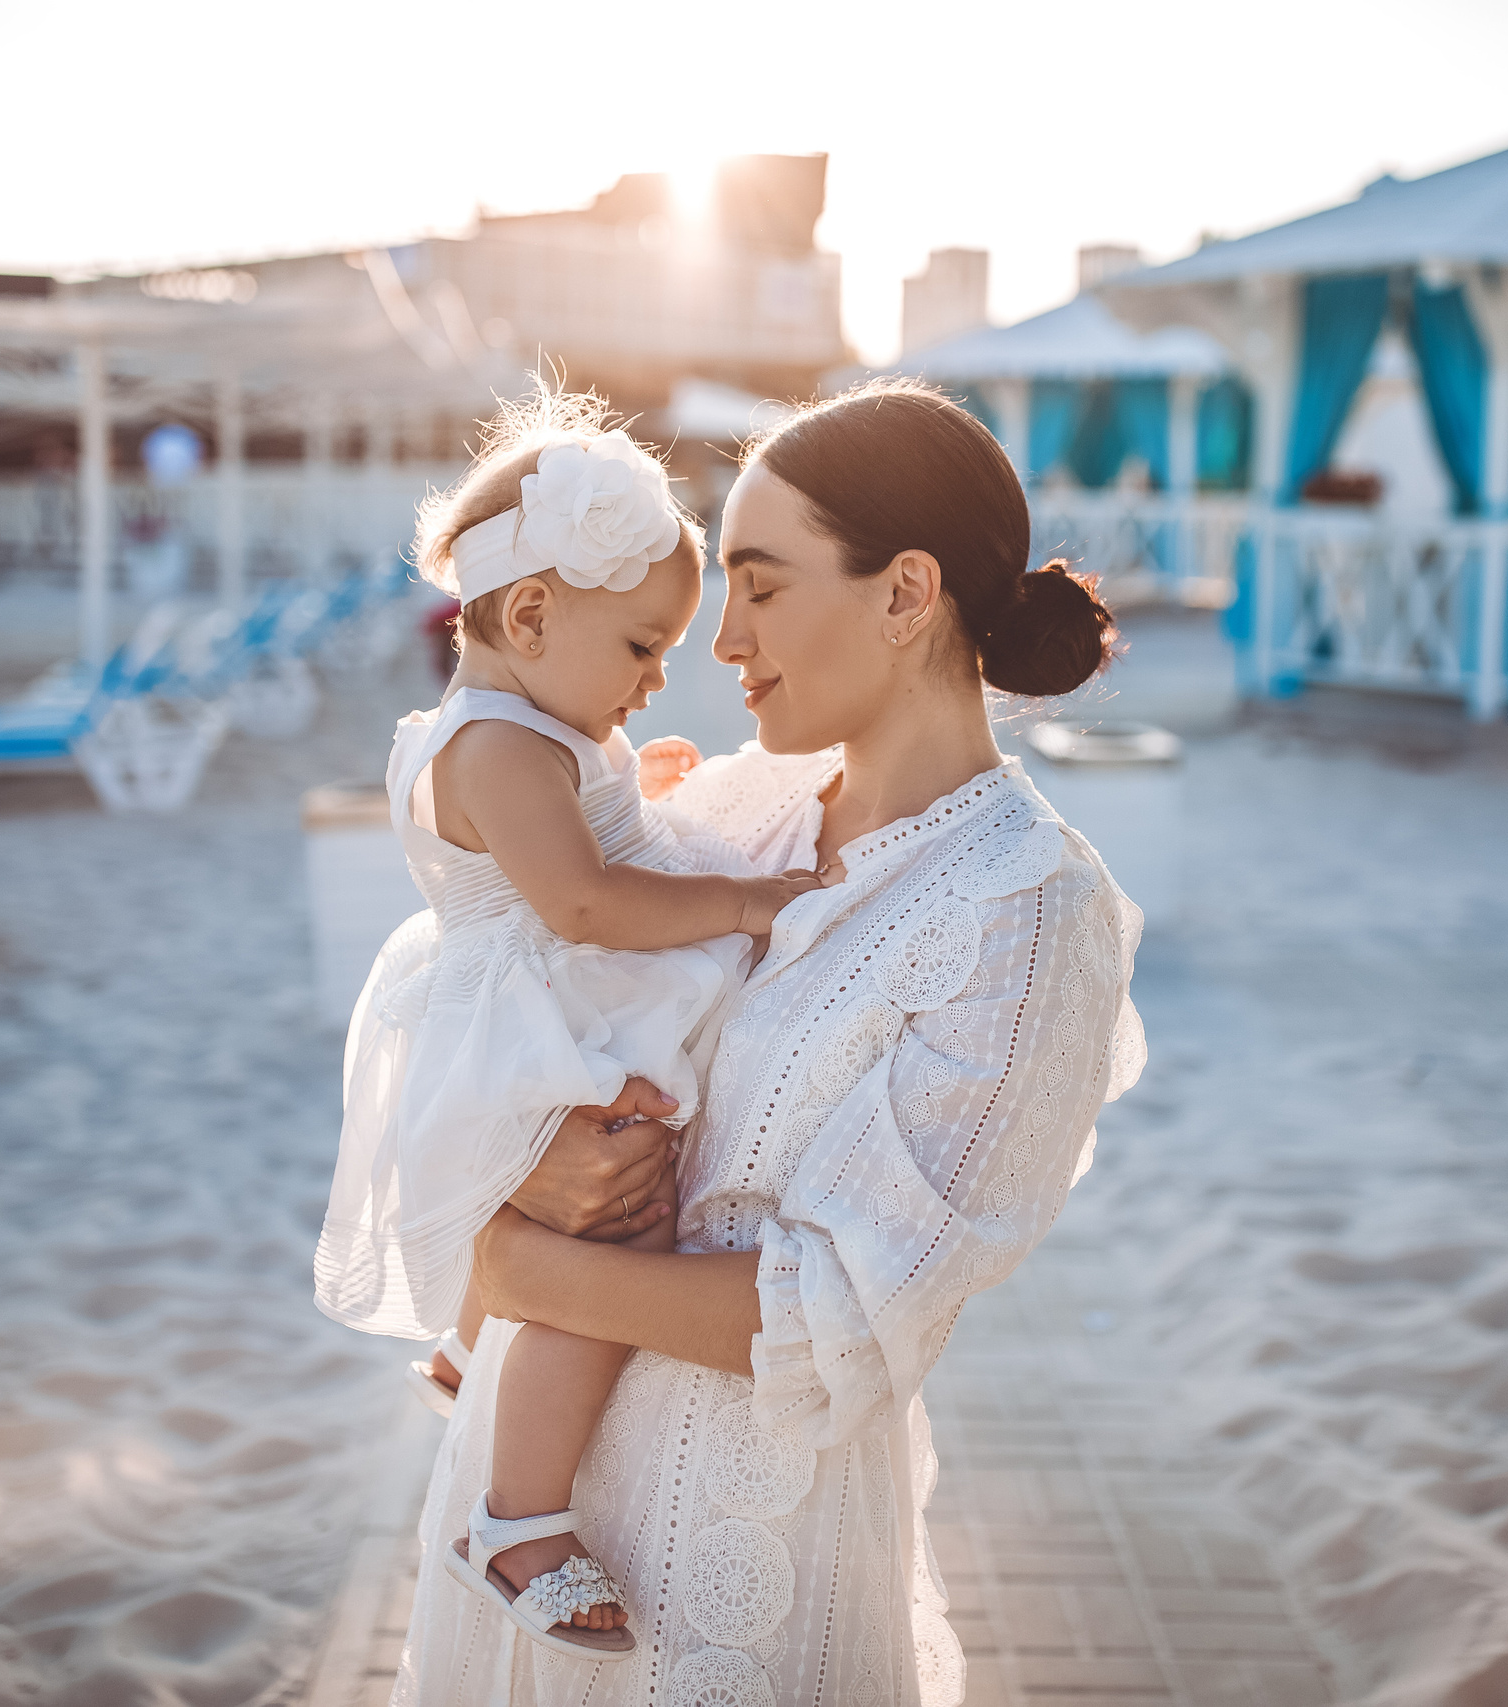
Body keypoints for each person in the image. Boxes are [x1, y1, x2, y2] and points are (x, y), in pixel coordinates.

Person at [387, 379, 1145, 1705]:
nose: (720, 640)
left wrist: (504, 1256)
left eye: (760, 584)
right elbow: (498, 1018)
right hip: (512, 1533)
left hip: (728, 1572)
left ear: (906, 594)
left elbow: (840, 1317)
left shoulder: (1030, 911)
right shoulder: (731, 811)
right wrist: (529, 1175)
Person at [314, 392, 819, 1659]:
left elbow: (576, 839)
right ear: (532, 615)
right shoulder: (495, 750)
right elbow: (585, 902)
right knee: (617, 1236)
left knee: (587, 1225)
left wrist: (628, 787)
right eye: (642, 647)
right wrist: (744, 897)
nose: (656, 680)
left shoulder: (529, 730)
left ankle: (467, 1353)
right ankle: (518, 1517)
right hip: (534, 1024)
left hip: (540, 1006)